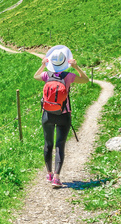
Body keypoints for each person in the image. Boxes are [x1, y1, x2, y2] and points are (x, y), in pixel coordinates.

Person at [33, 45, 89, 188]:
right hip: (64, 115)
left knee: (48, 144)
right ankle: (57, 177)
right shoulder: (69, 76)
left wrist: (42, 66)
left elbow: (35, 76)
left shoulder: (46, 75)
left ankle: (49, 173)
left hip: (47, 114)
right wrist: (76, 67)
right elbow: (86, 80)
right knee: (60, 145)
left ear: (51, 63)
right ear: (65, 62)